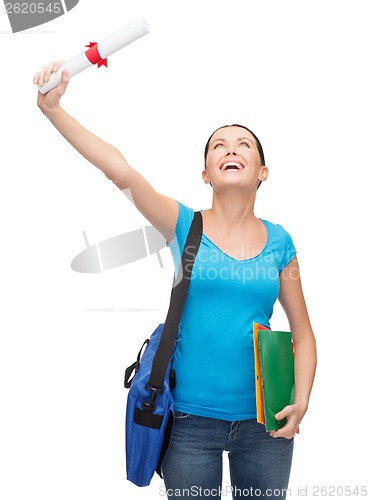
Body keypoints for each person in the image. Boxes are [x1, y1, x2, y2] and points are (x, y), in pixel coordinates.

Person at [34, 61, 317, 499]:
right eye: (218, 145)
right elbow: (121, 172)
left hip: (266, 423)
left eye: (244, 144)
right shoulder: (184, 225)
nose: (231, 149)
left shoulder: (281, 243)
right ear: (206, 174)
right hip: (189, 423)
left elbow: (304, 334)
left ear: (262, 172)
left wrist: (301, 401)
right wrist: (54, 111)